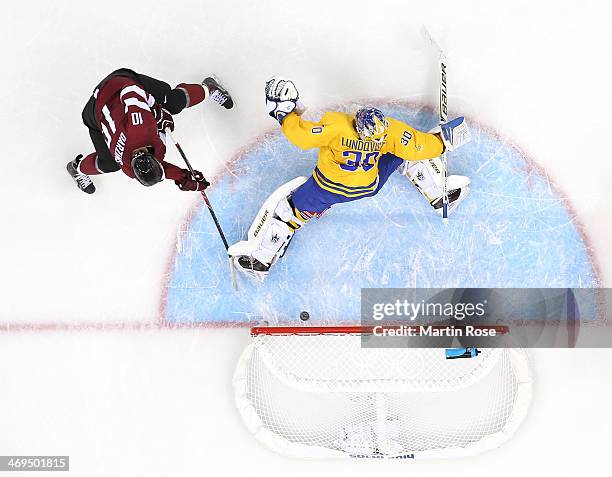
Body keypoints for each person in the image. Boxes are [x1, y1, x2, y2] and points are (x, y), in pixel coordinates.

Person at [228, 77, 472, 280]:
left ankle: (260, 260)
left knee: (288, 213)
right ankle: (441, 196)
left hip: (326, 190)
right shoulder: (390, 132)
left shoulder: (336, 126)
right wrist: (444, 140)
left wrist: (286, 113)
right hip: (367, 186)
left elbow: (301, 137)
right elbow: (420, 146)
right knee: (404, 154)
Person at [67, 68, 234, 194]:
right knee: (110, 164)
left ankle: (209, 87)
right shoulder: (130, 165)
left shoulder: (140, 128)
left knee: (171, 102)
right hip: (98, 109)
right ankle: (77, 168)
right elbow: (160, 171)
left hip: (119, 87)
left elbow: (131, 91)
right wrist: (181, 176)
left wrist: (157, 112)